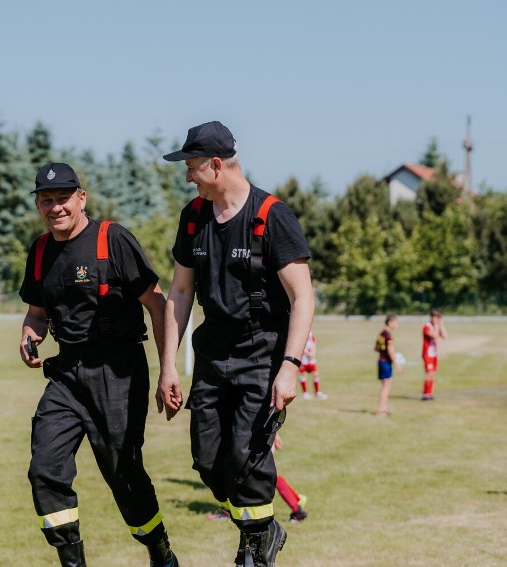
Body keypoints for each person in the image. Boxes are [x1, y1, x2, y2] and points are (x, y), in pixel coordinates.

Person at [158, 121, 315, 566]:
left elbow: (303, 296)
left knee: (246, 457)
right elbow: (181, 293)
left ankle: (253, 551)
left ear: (216, 165)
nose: (188, 177)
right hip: (212, 357)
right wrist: (169, 366)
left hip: (262, 356)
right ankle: (264, 532)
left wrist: (290, 366)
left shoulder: (271, 216)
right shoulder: (193, 217)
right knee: (208, 460)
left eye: (192, 168)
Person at [19, 163, 178, 567]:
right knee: (44, 470)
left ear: (81, 198)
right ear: (38, 205)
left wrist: (168, 370)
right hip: (67, 375)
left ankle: (160, 553)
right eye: (47, 200)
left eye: (63, 199)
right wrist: (30, 332)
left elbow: (157, 304)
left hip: (118, 373)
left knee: (123, 476)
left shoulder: (113, 239)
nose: (55, 207)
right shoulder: (39, 251)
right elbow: (38, 312)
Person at [207, 433, 308, 524]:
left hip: (254, 438)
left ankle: (297, 509)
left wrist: (274, 432)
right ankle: (296, 506)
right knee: (266, 476)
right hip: (256, 435)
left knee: (239, 473)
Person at [374, 314, 401, 416]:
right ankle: (380, 410)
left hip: (380, 361)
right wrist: (396, 363)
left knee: (385, 385)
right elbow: (391, 350)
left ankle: (384, 408)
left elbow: (376, 348)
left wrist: (382, 352)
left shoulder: (381, 334)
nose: (397, 325)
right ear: (390, 322)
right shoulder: (388, 335)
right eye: (396, 322)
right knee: (386, 386)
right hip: (385, 363)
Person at [421, 308, 448, 400]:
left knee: (433, 373)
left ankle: (429, 393)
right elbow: (435, 335)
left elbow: (445, 336)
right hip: (427, 354)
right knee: (429, 373)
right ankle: (425, 394)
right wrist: (436, 325)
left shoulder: (436, 325)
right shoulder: (427, 326)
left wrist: (441, 324)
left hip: (434, 354)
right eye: (436, 318)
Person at [299, 328, 328, 400]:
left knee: (316, 374)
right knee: (303, 375)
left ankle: (317, 392)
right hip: (303, 359)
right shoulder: (301, 332)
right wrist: (307, 353)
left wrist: (313, 353)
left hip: (311, 359)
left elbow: (314, 342)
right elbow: (299, 345)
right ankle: (305, 393)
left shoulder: (311, 332)